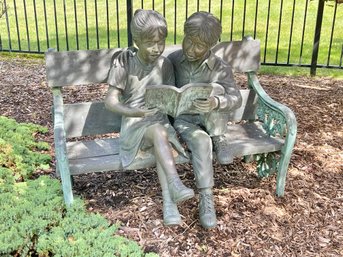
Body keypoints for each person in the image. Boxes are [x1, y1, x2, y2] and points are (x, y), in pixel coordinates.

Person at [105, 9, 194, 226]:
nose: (157, 48)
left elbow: (170, 95)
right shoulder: (124, 62)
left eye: (161, 42)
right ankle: (173, 190)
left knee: (160, 133)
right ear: (137, 41)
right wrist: (136, 112)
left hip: (160, 122)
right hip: (135, 124)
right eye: (150, 43)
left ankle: (170, 202)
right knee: (159, 133)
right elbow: (110, 102)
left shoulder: (164, 65)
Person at [167, 11, 242, 229]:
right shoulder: (172, 61)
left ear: (210, 46)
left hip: (213, 118)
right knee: (201, 141)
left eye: (199, 46)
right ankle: (206, 198)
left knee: (217, 90)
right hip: (185, 120)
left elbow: (235, 98)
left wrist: (216, 102)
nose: (191, 49)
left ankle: (219, 137)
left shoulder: (219, 66)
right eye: (188, 41)